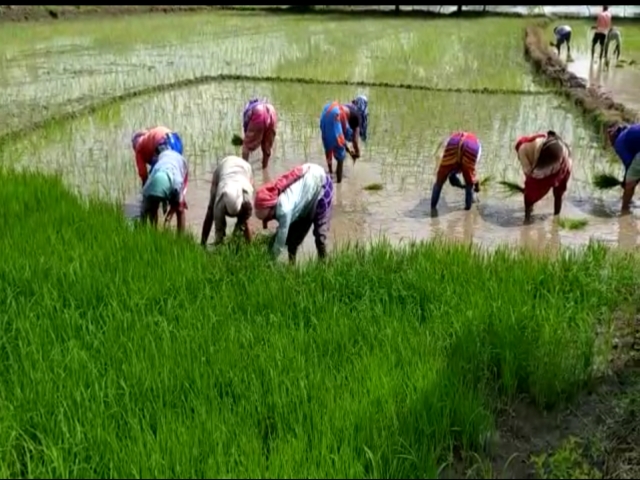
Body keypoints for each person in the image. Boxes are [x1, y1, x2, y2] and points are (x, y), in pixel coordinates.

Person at [253, 163, 334, 263]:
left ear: (271, 210)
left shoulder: (284, 210)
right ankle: (292, 266)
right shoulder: (276, 198)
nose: (268, 221)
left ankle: (324, 264)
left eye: (268, 218)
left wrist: (269, 260)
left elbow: (280, 241)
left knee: (320, 236)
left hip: (322, 185)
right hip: (307, 190)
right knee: (293, 238)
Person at [515, 131, 572, 223]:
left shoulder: (521, 150)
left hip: (550, 154)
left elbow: (529, 175)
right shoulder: (537, 138)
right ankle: (556, 220)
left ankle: (526, 220)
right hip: (566, 155)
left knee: (529, 194)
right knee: (558, 193)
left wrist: (526, 191)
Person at [200, 155, 254, 247]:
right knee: (212, 213)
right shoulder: (219, 203)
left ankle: (249, 250)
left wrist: (236, 234)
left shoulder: (247, 200)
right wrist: (203, 244)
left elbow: (246, 222)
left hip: (244, 169)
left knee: (244, 223)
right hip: (224, 168)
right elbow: (210, 213)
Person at [319, 95, 368, 184]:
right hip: (335, 115)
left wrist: (349, 152)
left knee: (329, 143)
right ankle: (338, 184)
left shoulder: (348, 107)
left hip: (327, 110)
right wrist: (357, 152)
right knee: (340, 157)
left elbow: (339, 136)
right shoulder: (357, 116)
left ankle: (330, 173)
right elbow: (355, 141)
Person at [140, 148, 189, 234]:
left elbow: (179, 203)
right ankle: (153, 232)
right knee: (152, 205)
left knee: (180, 210)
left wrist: (169, 215)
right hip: (162, 161)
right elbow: (144, 211)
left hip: (179, 164)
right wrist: (141, 232)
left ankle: (180, 239)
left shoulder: (177, 182)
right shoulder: (149, 185)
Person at [430, 131, 482, 211]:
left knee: (439, 183)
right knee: (469, 182)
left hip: (454, 145)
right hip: (471, 147)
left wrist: (475, 185)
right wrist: (474, 185)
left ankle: (432, 209)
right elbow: (472, 176)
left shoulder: (450, 141)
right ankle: (467, 211)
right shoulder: (475, 145)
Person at [607, 123, 640, 215]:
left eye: (610, 139)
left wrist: (626, 182)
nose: (610, 143)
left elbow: (629, 165)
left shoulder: (619, 142)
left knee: (629, 184)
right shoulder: (628, 131)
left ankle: (624, 211)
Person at [241, 98, 278, 170]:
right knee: (267, 148)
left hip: (259, 114)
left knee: (245, 146)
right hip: (271, 112)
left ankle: (244, 170)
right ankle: (265, 168)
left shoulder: (249, 108)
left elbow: (246, 124)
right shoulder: (266, 105)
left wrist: (248, 142)